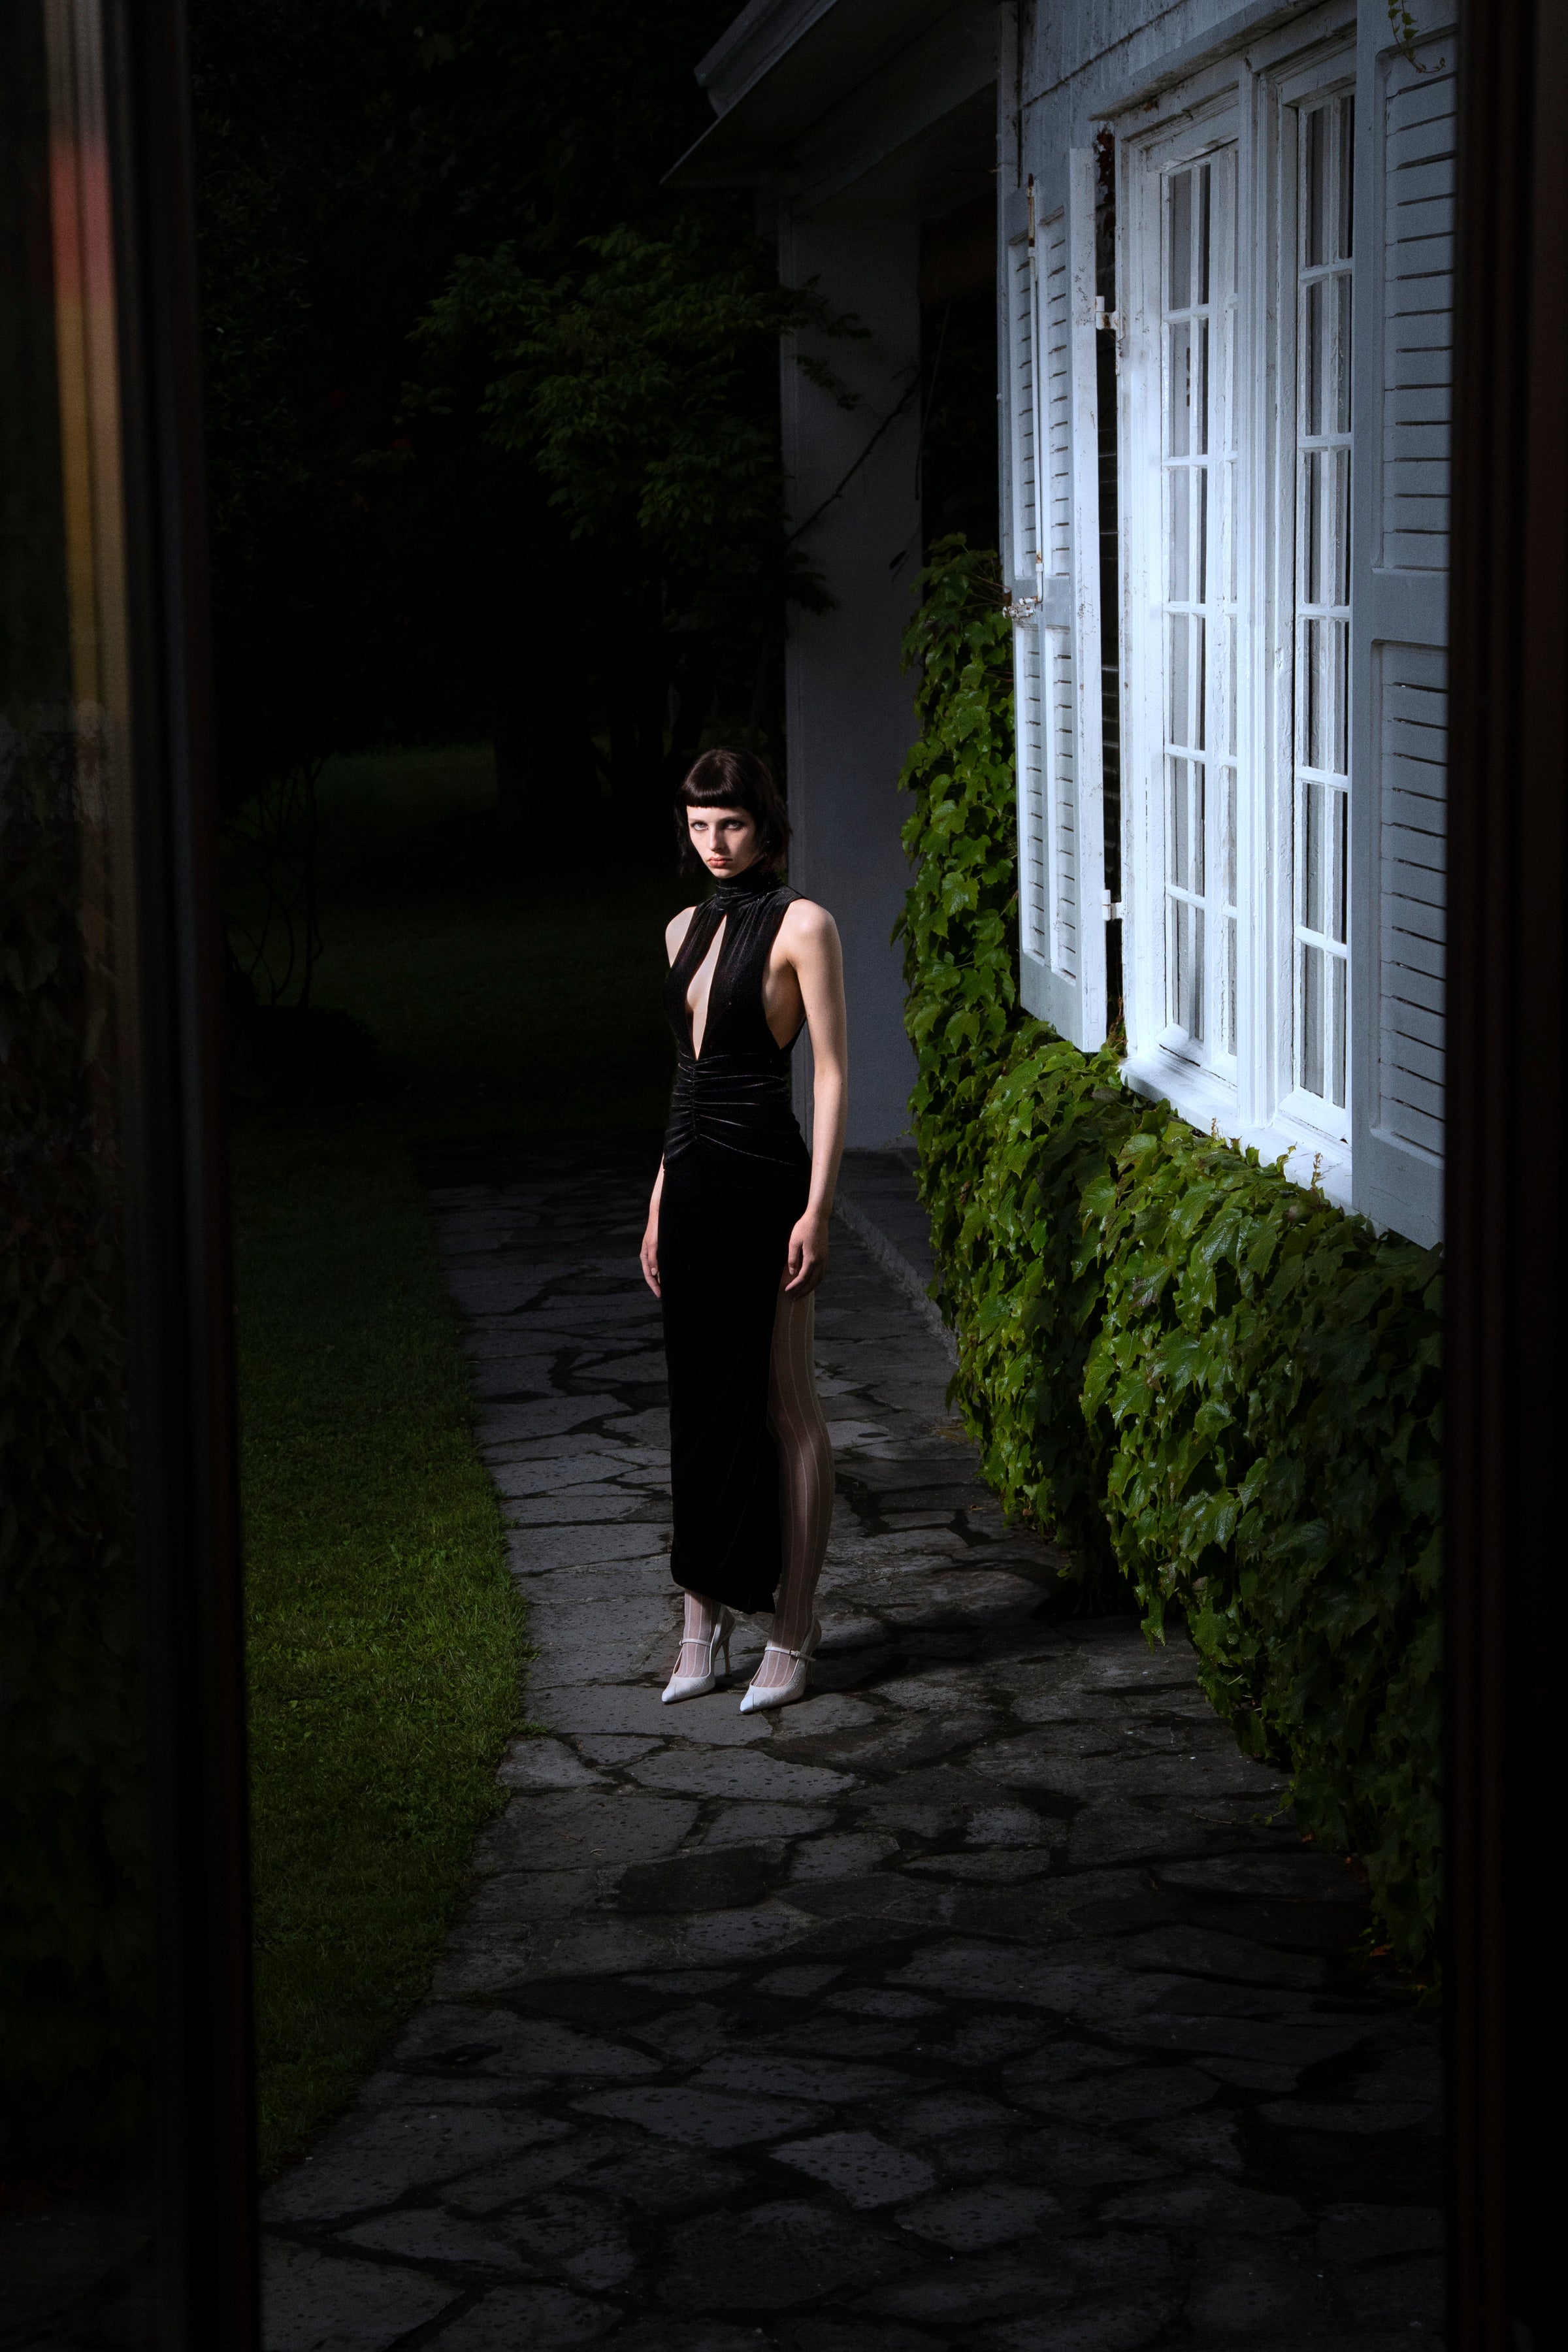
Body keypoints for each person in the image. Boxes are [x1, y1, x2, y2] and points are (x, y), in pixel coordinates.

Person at [639, 748, 847, 1712]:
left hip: (765, 1181)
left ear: (763, 822)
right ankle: (702, 1622)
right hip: (690, 1184)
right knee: (697, 1407)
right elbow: (684, 1076)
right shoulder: (681, 928)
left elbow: (832, 1075)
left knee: (784, 1404)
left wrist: (818, 1207)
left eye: (729, 823)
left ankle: (794, 1630)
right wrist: (658, 1199)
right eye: (698, 826)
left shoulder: (805, 924)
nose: (714, 843)